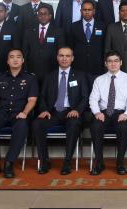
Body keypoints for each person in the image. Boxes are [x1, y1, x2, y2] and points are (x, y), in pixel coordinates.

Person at [0, 49, 38, 178]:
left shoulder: (30, 78)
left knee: (22, 126)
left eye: (18, 57)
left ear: (23, 60)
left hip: (19, 114)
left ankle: (9, 163)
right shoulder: (0, 77)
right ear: (7, 61)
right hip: (2, 113)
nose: (15, 59)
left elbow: (32, 100)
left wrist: (25, 112)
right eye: (11, 57)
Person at [32, 47, 89, 175]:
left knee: (74, 124)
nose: (64, 58)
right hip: (52, 112)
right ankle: (44, 161)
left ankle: (67, 162)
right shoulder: (49, 76)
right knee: (37, 124)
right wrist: (44, 110)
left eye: (67, 56)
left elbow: (85, 97)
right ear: (57, 57)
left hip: (71, 112)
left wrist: (77, 110)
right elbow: (42, 96)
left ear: (72, 58)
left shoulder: (80, 76)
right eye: (61, 55)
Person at [89, 50, 127, 175]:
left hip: (121, 112)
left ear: (121, 62)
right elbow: (93, 99)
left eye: (116, 61)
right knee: (95, 126)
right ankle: (99, 163)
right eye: (110, 61)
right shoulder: (99, 80)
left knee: (123, 127)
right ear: (106, 64)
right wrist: (97, 113)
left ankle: (120, 163)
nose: (113, 64)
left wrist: (126, 114)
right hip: (103, 112)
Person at [21, 4, 66, 83]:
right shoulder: (29, 31)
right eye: (40, 14)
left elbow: (61, 51)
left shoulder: (58, 31)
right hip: (32, 71)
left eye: (45, 14)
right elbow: (25, 52)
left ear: (50, 16)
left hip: (51, 71)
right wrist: (25, 69)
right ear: (37, 16)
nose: (43, 16)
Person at [68, 0, 106, 85]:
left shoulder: (102, 26)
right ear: (81, 11)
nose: (87, 12)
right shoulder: (73, 26)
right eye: (85, 10)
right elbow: (70, 46)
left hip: (97, 67)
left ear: (94, 11)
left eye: (89, 10)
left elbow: (104, 46)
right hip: (78, 67)